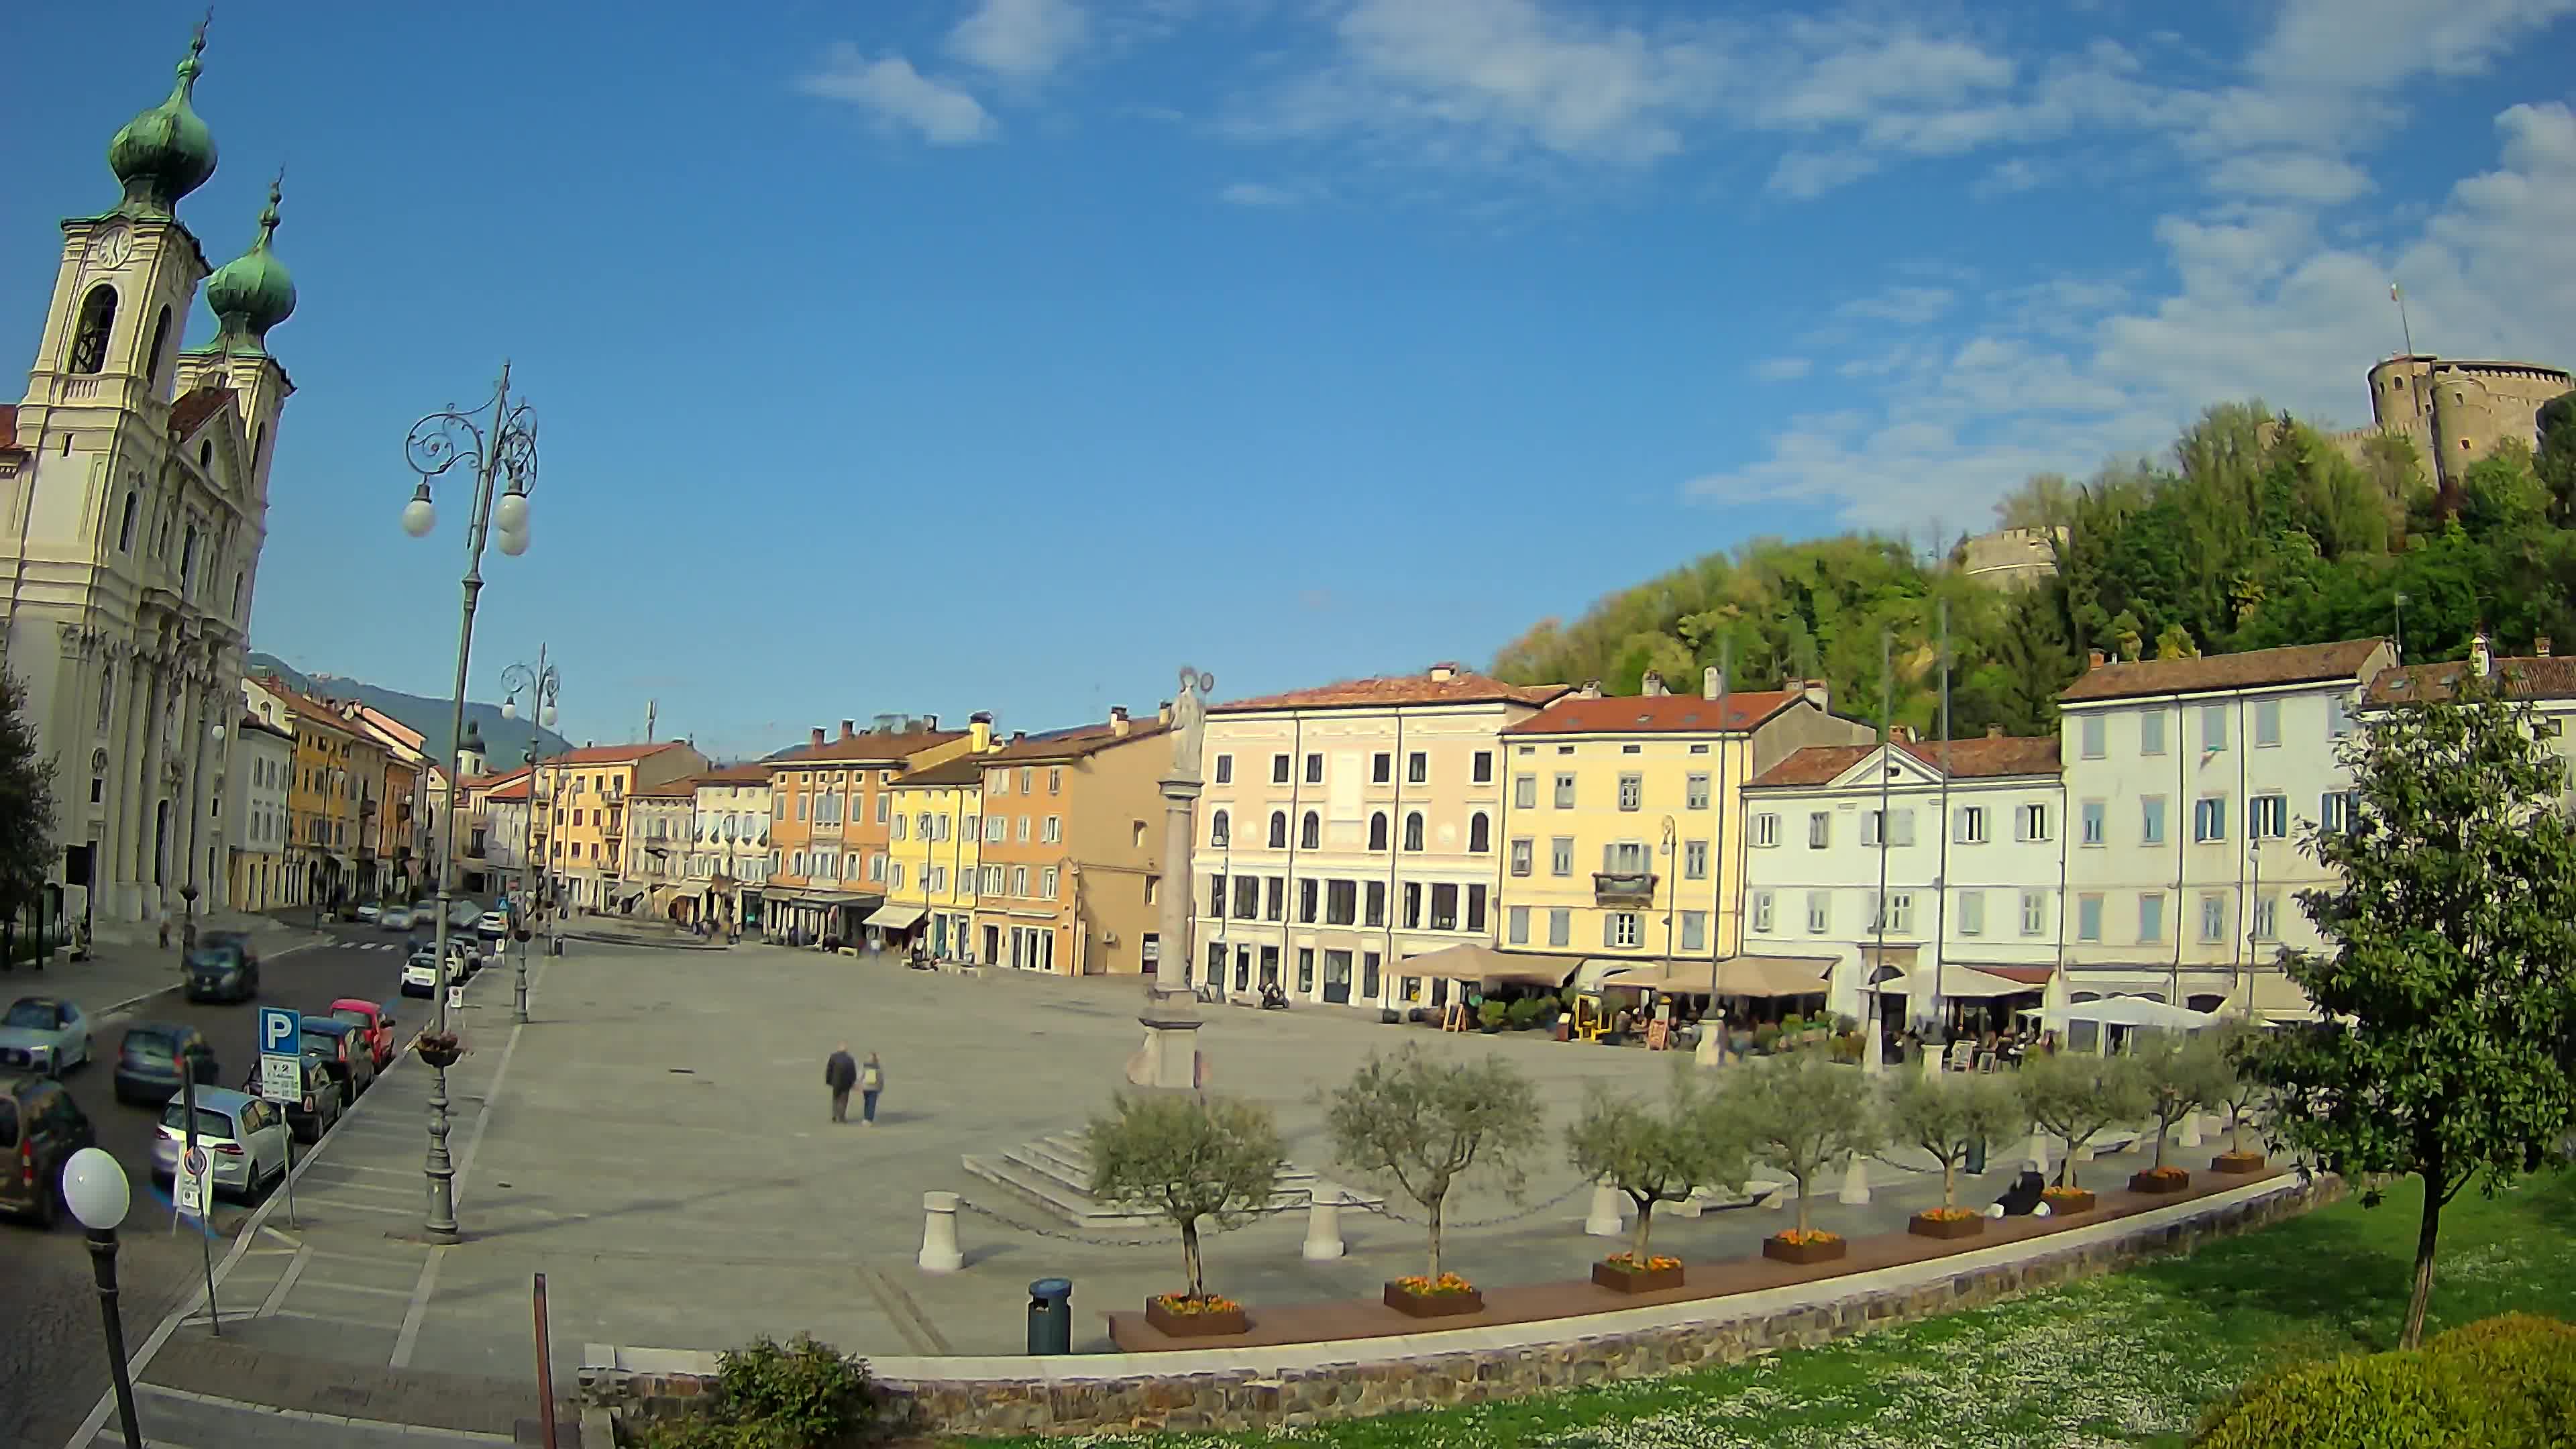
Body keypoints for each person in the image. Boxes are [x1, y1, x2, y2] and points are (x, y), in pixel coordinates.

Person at [824, 1043, 858, 1123]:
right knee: (844, 1100)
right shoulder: (850, 1059)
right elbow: (853, 1072)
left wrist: (828, 1081)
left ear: (839, 1049)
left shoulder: (833, 1057)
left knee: (835, 1099)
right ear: (846, 1050)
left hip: (836, 1082)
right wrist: (853, 1082)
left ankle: (834, 1116)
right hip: (846, 1083)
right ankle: (842, 1117)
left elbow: (829, 1070)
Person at [859, 1052, 884, 1125]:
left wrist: (859, 1085)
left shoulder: (864, 1066)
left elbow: (860, 1076)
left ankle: (866, 1118)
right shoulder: (878, 1067)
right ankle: (869, 1120)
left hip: (866, 1087)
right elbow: (880, 1079)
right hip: (874, 1088)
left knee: (867, 1103)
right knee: (872, 1104)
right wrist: (881, 1088)